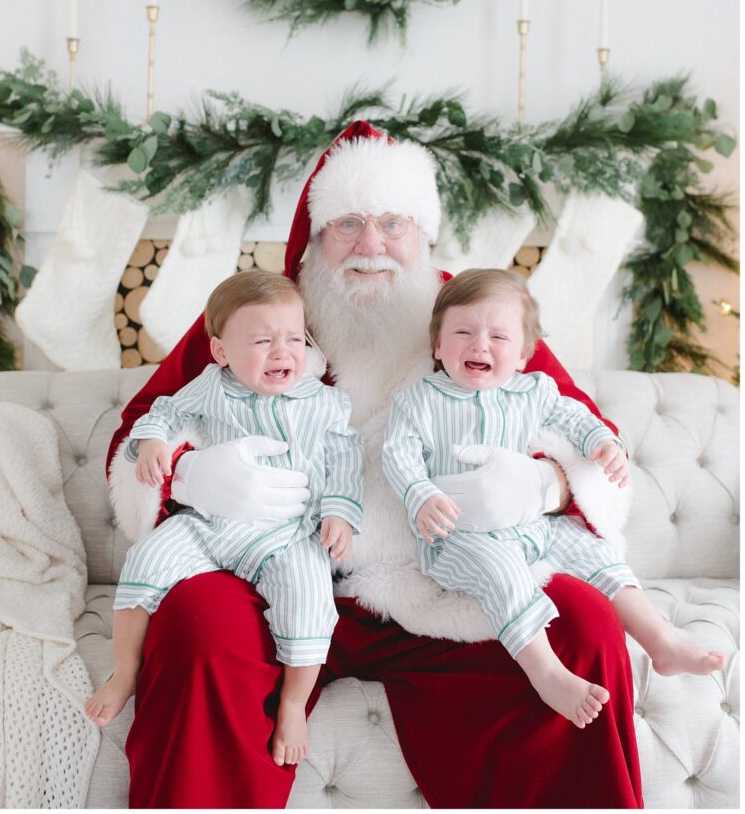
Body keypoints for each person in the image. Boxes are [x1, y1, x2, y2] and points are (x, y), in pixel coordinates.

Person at [107, 121, 644, 809]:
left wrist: (548, 485)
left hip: (441, 578)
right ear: (312, 236)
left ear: (422, 234)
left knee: (581, 626)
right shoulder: (260, 311)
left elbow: (594, 436)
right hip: (266, 581)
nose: (371, 245)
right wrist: (184, 474)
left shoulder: (473, 317)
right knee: (195, 621)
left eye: (393, 222)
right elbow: (144, 427)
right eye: (348, 223)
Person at [384, 268, 726, 729]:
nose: (479, 345)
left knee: (592, 549)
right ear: (438, 345)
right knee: (501, 572)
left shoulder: (534, 392)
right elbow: (399, 453)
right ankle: (546, 672)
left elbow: (577, 419)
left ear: (524, 354)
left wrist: (603, 444)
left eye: (498, 336)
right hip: (457, 536)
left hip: (533, 525)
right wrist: (420, 493)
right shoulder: (420, 400)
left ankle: (661, 642)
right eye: (463, 332)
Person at [90, 270, 362, 766]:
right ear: (221, 351)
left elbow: (345, 463)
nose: (282, 352)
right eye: (262, 341)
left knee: (308, 597)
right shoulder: (212, 385)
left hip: (288, 534)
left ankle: (294, 704)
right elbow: (162, 412)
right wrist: (152, 442)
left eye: (294, 339)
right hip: (211, 523)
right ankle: (125, 669)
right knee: (146, 560)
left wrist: (340, 515)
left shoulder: (326, 403)